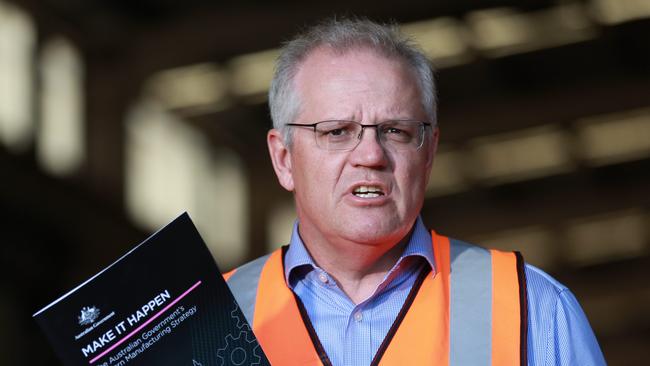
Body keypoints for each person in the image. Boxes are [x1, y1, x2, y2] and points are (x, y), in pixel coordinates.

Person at [225, 18, 606, 366]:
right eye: (337, 131)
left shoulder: (535, 311)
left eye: (396, 131)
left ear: (428, 153)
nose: (371, 155)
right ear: (283, 158)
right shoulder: (208, 315)